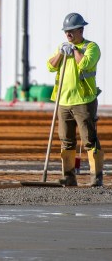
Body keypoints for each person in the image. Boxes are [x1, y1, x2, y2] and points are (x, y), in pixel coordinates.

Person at [47, 13, 104, 187]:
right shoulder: (62, 47)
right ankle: (69, 176)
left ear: (81, 30)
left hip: (83, 101)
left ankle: (96, 177)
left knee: (89, 139)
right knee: (66, 139)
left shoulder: (91, 47)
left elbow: (85, 64)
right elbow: (50, 66)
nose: (68, 34)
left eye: (71, 31)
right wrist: (61, 54)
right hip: (63, 101)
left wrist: (75, 50)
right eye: (66, 31)